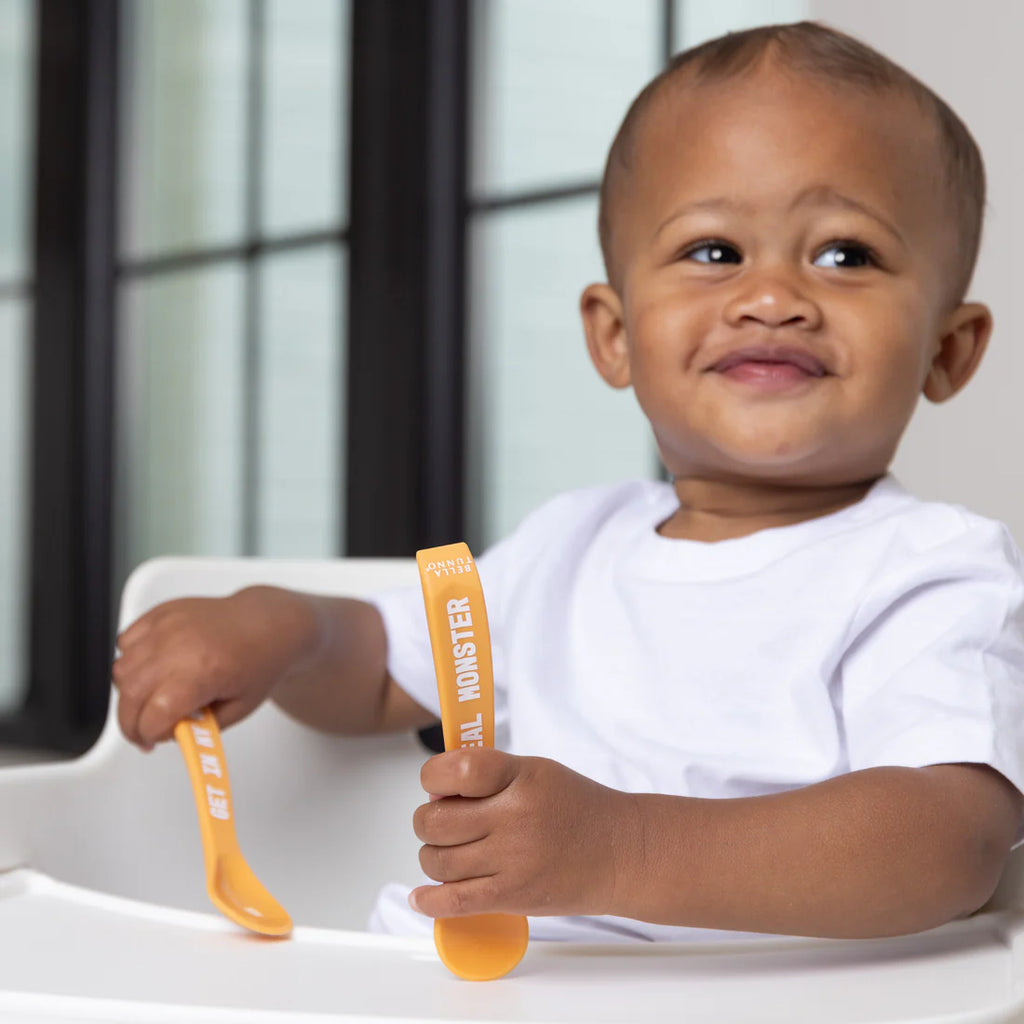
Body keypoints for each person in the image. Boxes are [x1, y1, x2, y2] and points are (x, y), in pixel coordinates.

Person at [113, 21, 1024, 944]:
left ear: (947, 350)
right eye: (713, 251)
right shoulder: (571, 543)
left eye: (845, 255)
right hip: (462, 986)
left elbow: (949, 842)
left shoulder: (934, 570)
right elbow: (383, 672)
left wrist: (622, 849)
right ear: (615, 335)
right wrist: (287, 628)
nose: (772, 296)